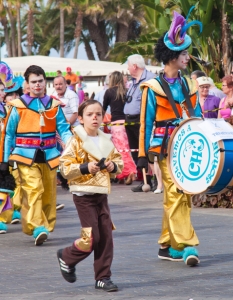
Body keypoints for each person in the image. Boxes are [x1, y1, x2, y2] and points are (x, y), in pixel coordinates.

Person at [138, 8, 203, 266]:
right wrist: (143, 156)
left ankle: (167, 244)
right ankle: (187, 245)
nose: (188, 57)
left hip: (187, 144)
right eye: (184, 53)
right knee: (176, 192)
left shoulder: (190, 84)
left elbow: (198, 116)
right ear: (172, 56)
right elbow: (145, 122)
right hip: (165, 147)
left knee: (181, 194)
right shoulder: (152, 88)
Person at [0, 65, 73, 245]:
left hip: (49, 156)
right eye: (34, 82)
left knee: (48, 194)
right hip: (25, 156)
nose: (37, 85)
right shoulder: (18, 106)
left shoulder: (54, 105)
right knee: (34, 190)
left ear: (44, 82)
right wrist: (4, 161)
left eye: (40, 81)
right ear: (27, 84)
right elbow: (8, 134)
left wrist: (71, 147)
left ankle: (44, 226)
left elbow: (64, 129)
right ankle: (36, 226)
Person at [57, 100, 123, 292]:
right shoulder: (75, 139)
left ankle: (103, 277)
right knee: (91, 237)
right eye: (90, 114)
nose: (95, 117)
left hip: (101, 195)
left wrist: (113, 167)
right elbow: (65, 167)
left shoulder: (106, 139)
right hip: (83, 195)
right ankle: (67, 256)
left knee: (106, 237)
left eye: (98, 114)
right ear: (80, 118)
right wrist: (86, 167)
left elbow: (118, 162)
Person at [124, 54, 155, 192]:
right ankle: (144, 180)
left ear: (134, 66)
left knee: (145, 150)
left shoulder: (150, 79)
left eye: (129, 65)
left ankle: (152, 181)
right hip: (129, 120)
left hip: (142, 119)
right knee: (135, 151)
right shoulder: (133, 81)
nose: (128, 68)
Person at [103, 71, 137, 185]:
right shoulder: (126, 92)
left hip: (116, 124)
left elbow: (103, 109)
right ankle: (124, 173)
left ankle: (128, 171)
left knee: (120, 150)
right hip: (127, 123)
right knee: (127, 149)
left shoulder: (109, 92)